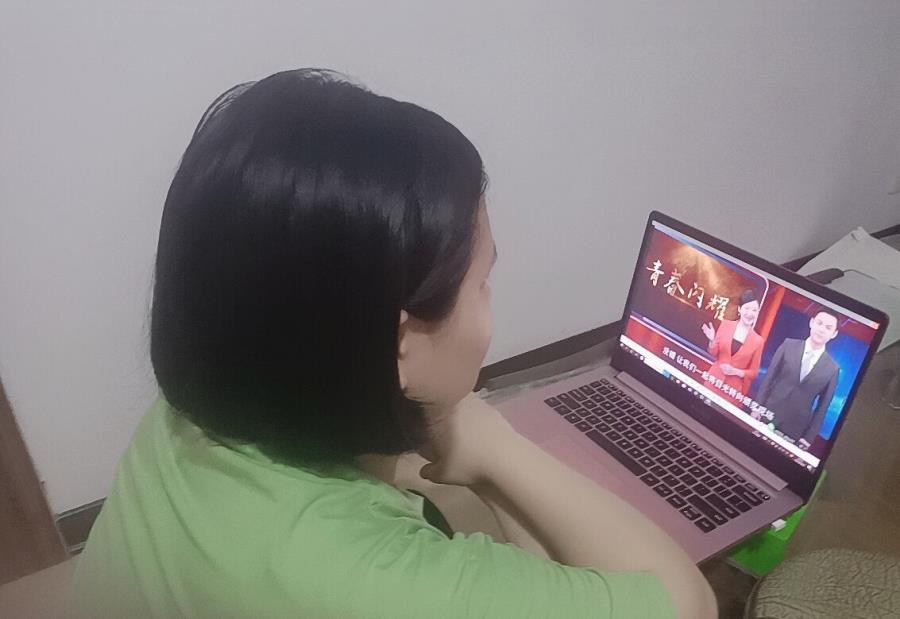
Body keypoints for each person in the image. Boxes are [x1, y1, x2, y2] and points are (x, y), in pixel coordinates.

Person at [72, 69, 716, 618]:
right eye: (483, 282)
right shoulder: (376, 585)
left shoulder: (194, 407)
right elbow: (686, 603)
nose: (489, 302)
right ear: (400, 342)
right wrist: (496, 449)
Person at [754, 308, 841, 450]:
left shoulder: (832, 369)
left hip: (795, 428)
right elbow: (769, 378)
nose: (822, 329)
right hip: (767, 413)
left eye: (828, 327)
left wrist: (809, 437)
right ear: (811, 323)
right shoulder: (788, 345)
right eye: (819, 323)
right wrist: (757, 408)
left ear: (834, 334)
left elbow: (822, 407)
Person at [700, 289, 765, 396]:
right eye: (747, 308)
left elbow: (753, 372)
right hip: (713, 381)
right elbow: (714, 353)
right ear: (739, 309)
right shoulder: (726, 325)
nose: (750, 314)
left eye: (754, 310)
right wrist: (712, 340)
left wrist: (735, 371)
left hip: (731, 391)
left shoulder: (758, 341)